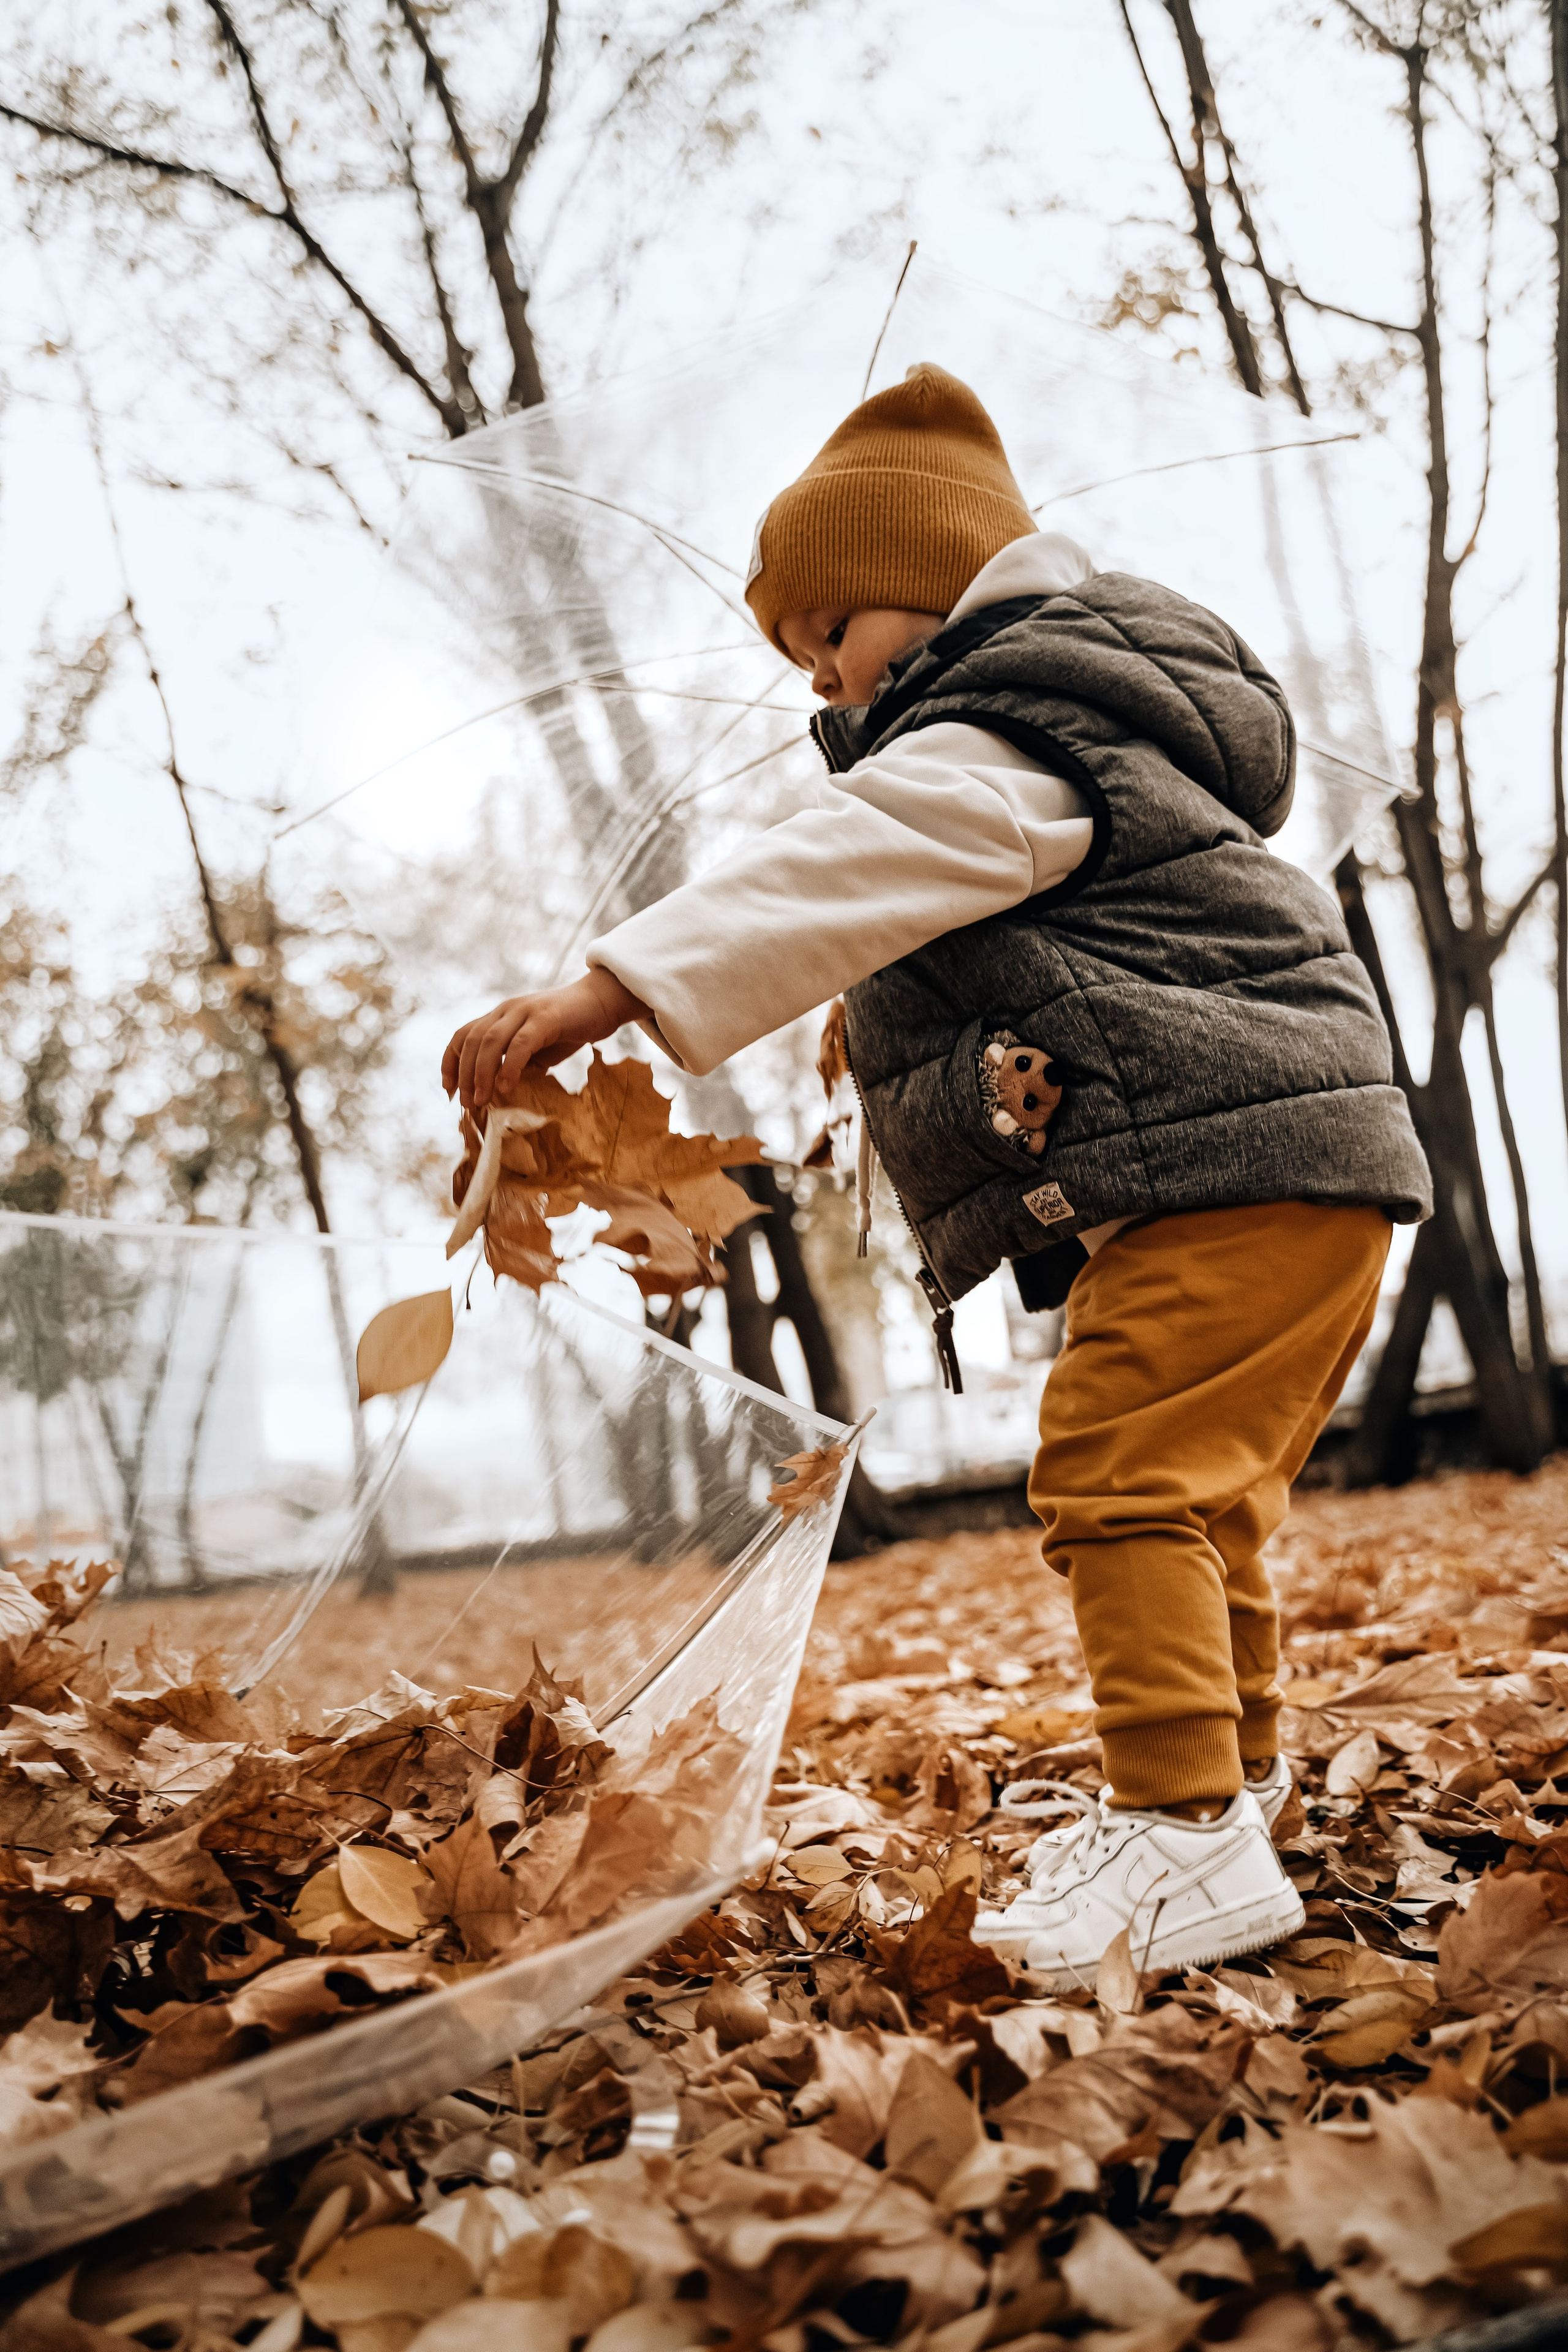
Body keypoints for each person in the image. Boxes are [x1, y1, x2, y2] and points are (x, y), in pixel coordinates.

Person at [442, 364, 1431, 1987]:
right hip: (1286, 1171)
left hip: (1231, 1172)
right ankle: (1228, 1799)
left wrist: (605, 991)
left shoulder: (1011, 717)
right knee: (1201, 1512)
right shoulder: (1081, 730)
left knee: (1119, 1483)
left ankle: (1183, 1832)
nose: (817, 682)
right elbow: (978, 912)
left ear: (934, 581)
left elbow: (849, 858)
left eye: (826, 635)